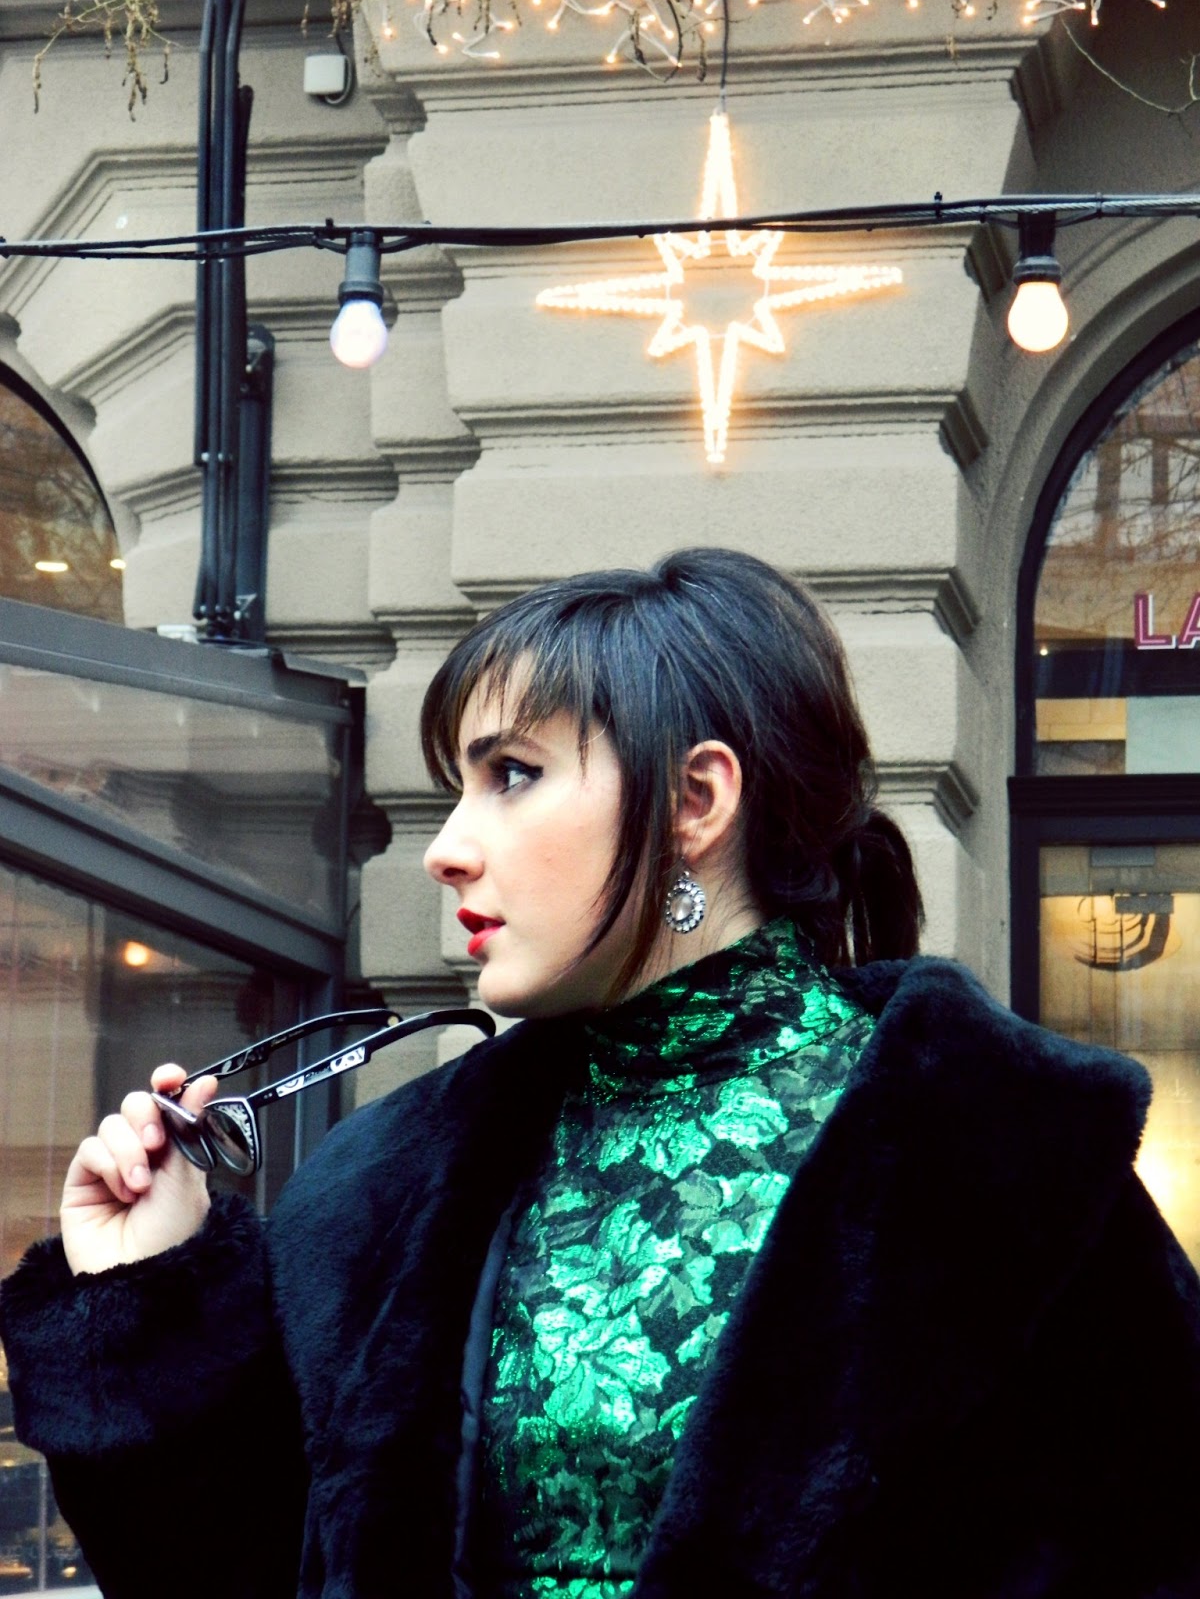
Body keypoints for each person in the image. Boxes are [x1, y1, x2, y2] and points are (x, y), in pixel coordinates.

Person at [2, 546, 1199, 1599]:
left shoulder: (1008, 1171)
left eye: (512, 774)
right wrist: (147, 1291)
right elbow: (258, 1571)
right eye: (459, 785)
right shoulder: (388, 1191)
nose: (445, 848)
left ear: (696, 799)